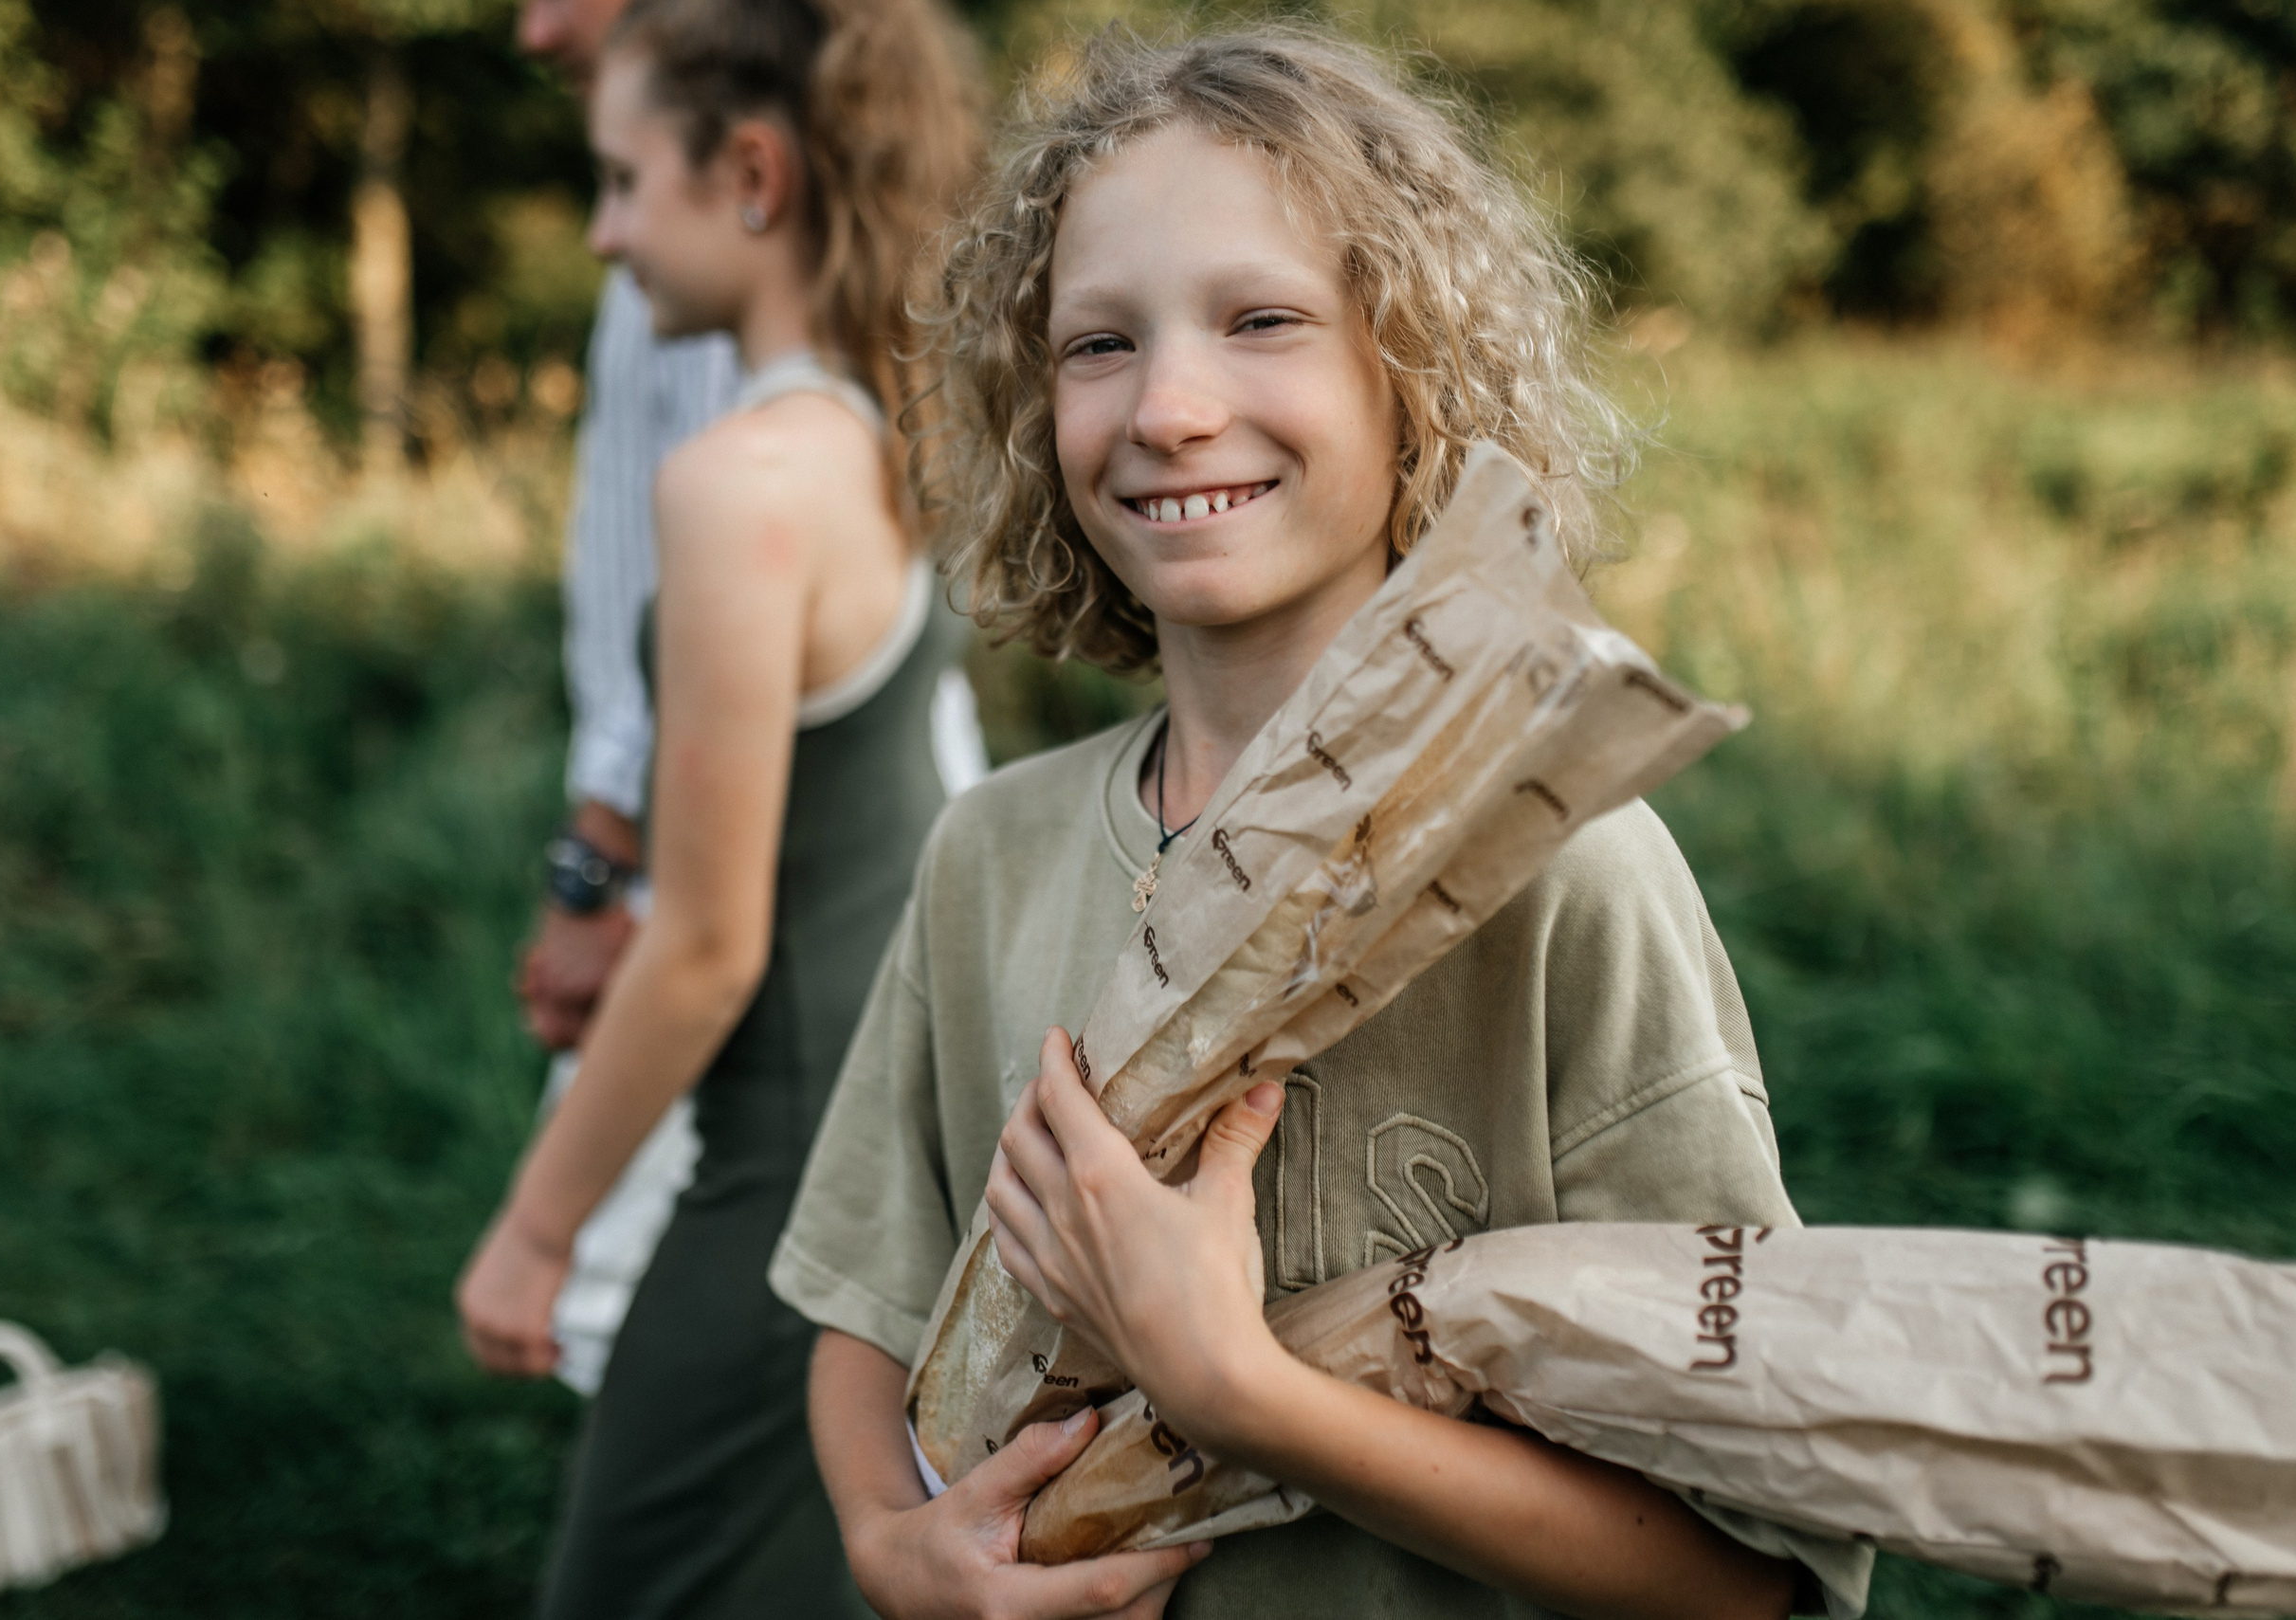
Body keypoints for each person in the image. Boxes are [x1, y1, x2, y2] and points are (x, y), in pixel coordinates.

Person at [768, 28, 1879, 1620]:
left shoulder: (1568, 869)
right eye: (1097, 343)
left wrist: (1242, 1392)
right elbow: (869, 1320)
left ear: (1411, 368)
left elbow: (1759, 1572)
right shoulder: (987, 858)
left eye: (1263, 319)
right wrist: (895, 1547)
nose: (1169, 405)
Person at [456, 0, 984, 1612]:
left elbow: (698, 945)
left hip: (791, 1176)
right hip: (895, 1134)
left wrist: (536, 1231)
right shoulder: (876, 429)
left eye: (623, 181)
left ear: (750, 172)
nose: (606, 231)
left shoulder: (742, 488)